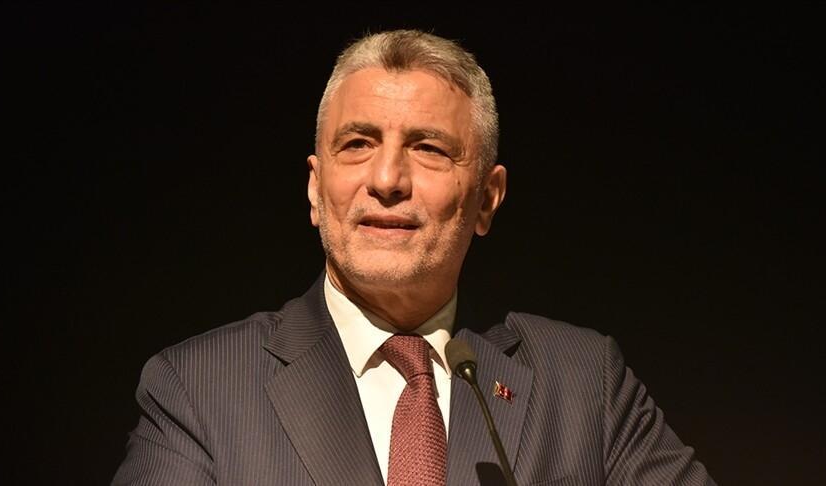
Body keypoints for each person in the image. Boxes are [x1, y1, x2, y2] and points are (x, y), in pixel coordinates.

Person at [112, 29, 715, 486]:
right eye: (358, 144)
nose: (386, 179)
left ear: (487, 199)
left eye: (428, 148)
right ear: (316, 189)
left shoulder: (583, 383)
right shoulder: (199, 390)